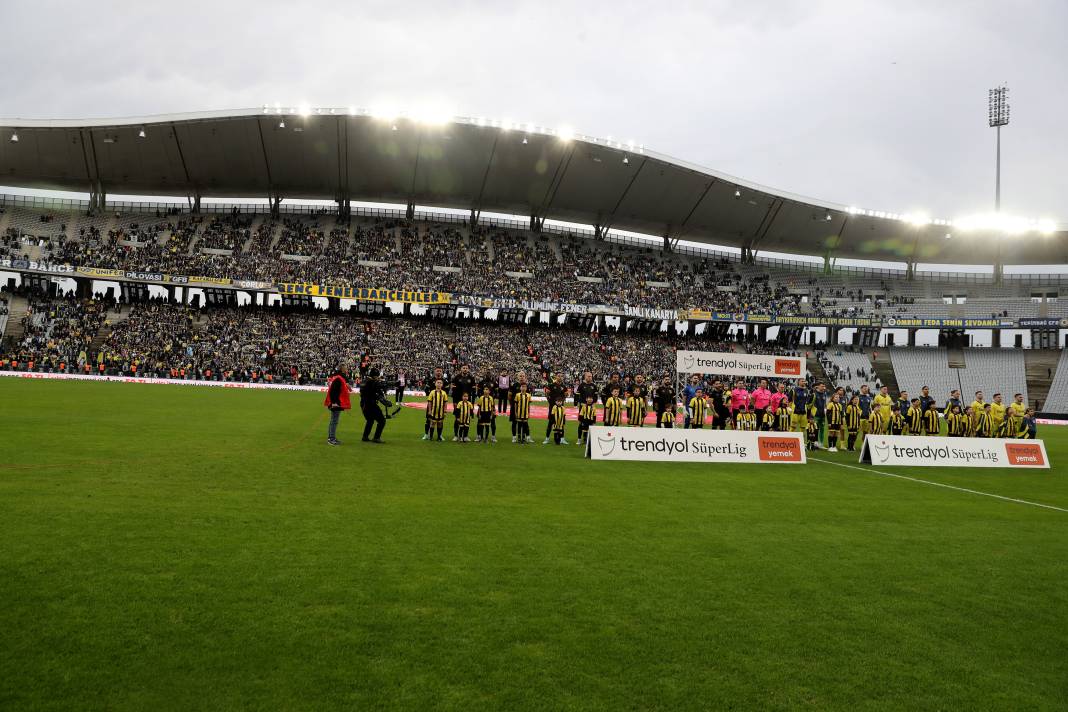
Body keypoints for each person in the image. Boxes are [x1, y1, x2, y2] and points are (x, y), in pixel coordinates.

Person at [360, 368, 391, 443]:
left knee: (370, 420)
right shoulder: (372, 382)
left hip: (364, 404)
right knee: (382, 421)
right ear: (374, 376)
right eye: (377, 376)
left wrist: (382, 397)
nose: (378, 377)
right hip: (370, 404)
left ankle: (365, 436)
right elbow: (377, 388)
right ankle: (376, 438)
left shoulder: (365, 381)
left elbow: (374, 391)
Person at [324, 365, 351, 446]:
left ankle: (331, 437)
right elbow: (333, 391)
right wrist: (334, 402)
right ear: (342, 369)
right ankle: (331, 439)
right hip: (336, 402)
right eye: (345, 368)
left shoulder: (337, 377)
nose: (347, 369)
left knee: (334, 420)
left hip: (336, 402)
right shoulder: (339, 378)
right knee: (334, 421)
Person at [451, 364, 476, 441]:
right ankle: (456, 435)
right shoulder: (456, 378)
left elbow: (473, 392)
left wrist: (472, 402)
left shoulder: (471, 378)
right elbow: (453, 391)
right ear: (461, 369)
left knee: (466, 418)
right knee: (457, 418)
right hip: (458, 401)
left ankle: (465, 436)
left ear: (468, 369)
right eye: (463, 368)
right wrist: (454, 401)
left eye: (466, 368)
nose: (465, 369)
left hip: (468, 402)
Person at [542, 374, 567, 444]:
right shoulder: (551, 385)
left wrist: (563, 400)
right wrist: (549, 401)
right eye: (559, 376)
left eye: (561, 376)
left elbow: (566, 394)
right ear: (556, 377)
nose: (560, 377)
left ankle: (562, 439)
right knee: (550, 423)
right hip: (553, 407)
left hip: (561, 408)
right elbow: (547, 393)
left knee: (561, 423)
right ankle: (547, 438)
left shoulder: (563, 386)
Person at [813, 383, 828, 448]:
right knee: (815, 429)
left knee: (822, 429)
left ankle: (821, 443)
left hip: (822, 415)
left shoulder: (824, 394)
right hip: (816, 415)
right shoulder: (814, 394)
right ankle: (815, 442)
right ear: (818, 387)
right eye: (822, 386)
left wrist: (825, 409)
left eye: (824, 386)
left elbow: (824, 403)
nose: (823, 387)